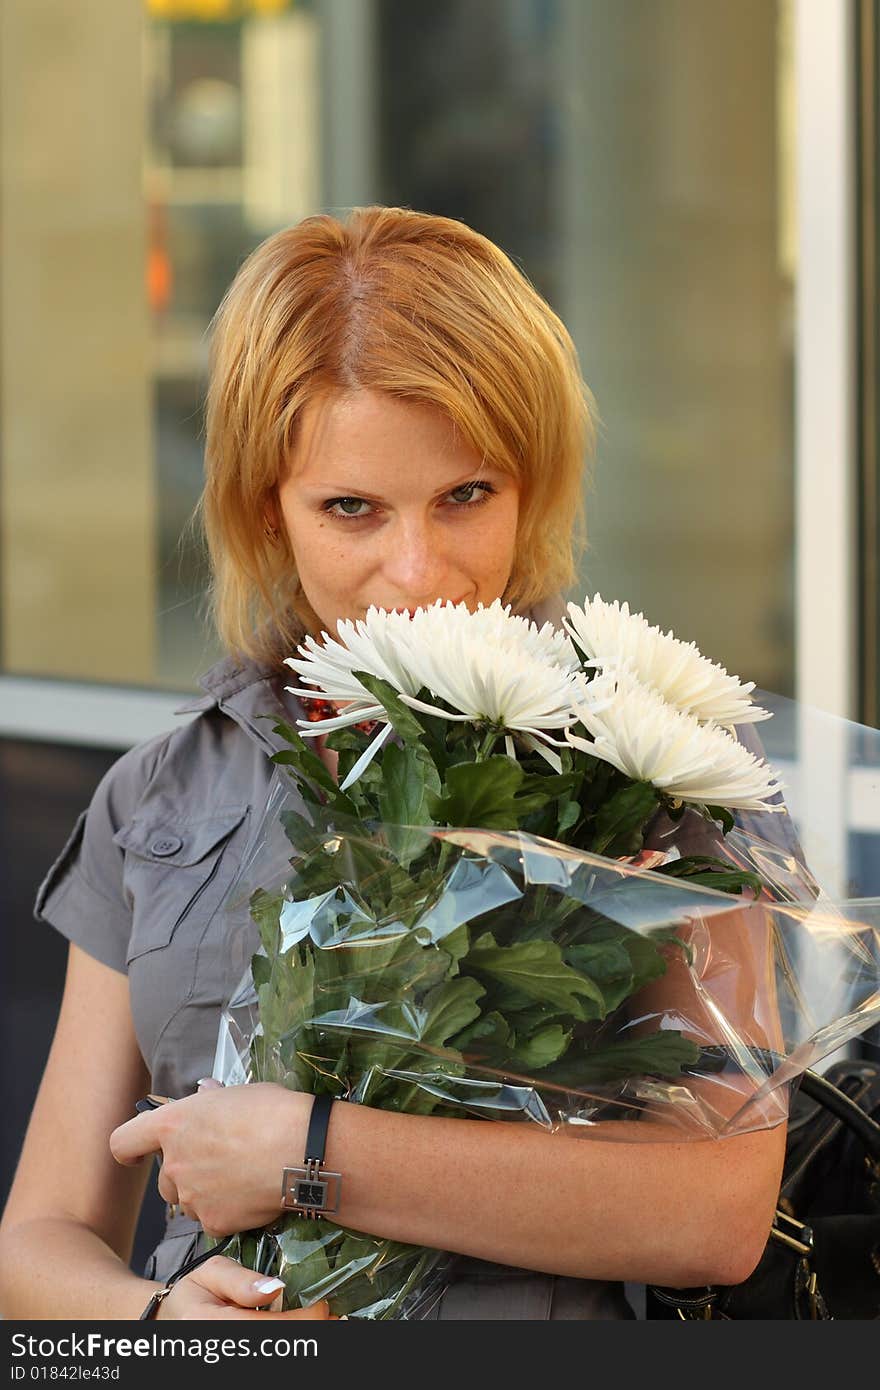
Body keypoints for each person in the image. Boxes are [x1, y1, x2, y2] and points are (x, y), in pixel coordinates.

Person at [0, 206, 786, 1321]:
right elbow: (41, 1236)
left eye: (467, 495)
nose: (417, 570)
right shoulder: (165, 791)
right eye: (351, 509)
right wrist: (161, 1323)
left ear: (536, 481)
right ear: (265, 509)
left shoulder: (653, 758)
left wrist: (309, 1152)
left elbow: (713, 1210)